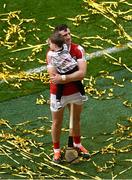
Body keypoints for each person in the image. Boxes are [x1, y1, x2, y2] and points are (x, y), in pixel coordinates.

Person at [46, 24, 90, 163]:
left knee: (75, 120)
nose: (69, 37)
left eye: (69, 34)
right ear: (58, 38)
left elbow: (82, 74)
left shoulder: (78, 49)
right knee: (57, 122)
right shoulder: (51, 54)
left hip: (75, 92)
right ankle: (56, 150)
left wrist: (63, 78)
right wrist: (71, 76)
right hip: (57, 93)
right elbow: (53, 77)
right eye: (64, 35)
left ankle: (77, 144)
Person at [47, 32, 87, 110]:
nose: (49, 45)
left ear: (54, 45)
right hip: (73, 68)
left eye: (50, 44)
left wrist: (62, 78)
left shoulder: (51, 54)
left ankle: (58, 101)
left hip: (63, 71)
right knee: (78, 82)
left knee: (60, 87)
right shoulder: (65, 47)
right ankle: (83, 94)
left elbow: (56, 79)